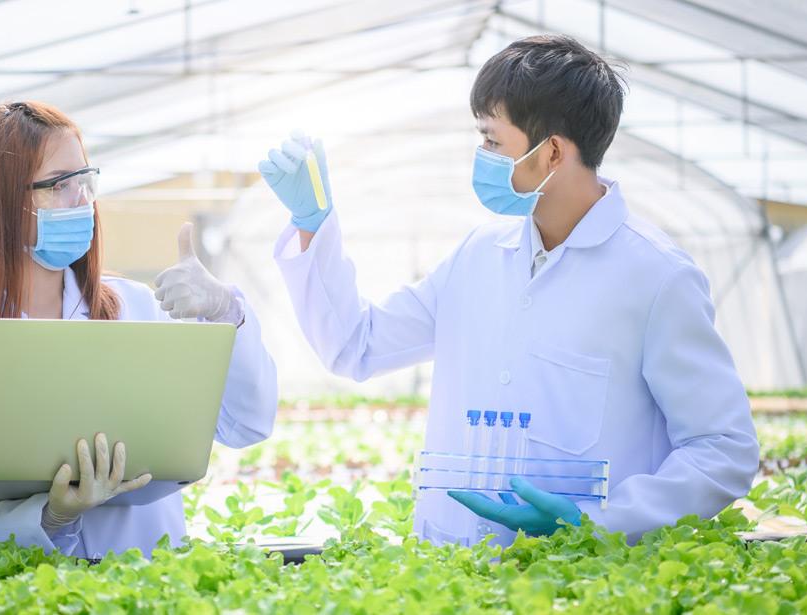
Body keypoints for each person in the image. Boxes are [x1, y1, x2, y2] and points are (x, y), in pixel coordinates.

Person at [258, 35, 758, 545]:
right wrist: (312, 225)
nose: (482, 156)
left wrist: (598, 522)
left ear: (552, 152)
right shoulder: (477, 255)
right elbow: (356, 344)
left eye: (493, 141)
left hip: (576, 573)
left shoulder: (656, 277)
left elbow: (722, 447)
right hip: (454, 562)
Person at [0, 101, 277, 558]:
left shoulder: (135, 307)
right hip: (27, 589)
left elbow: (246, 424)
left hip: (148, 579)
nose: (82, 201)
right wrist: (51, 515)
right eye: (59, 185)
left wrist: (225, 312)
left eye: (85, 180)